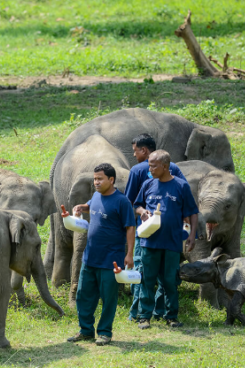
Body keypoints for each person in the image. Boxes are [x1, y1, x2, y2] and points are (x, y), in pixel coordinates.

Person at [67, 163, 135, 346]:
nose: (96, 182)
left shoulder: (122, 201)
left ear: (111, 180)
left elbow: (130, 228)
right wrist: (82, 207)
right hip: (90, 257)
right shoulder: (96, 195)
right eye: (95, 179)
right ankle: (86, 330)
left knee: (108, 297)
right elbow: (92, 206)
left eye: (100, 179)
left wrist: (129, 254)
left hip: (111, 259)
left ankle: (104, 332)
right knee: (83, 294)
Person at [126, 134, 187, 322]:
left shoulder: (137, 170)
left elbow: (129, 202)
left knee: (143, 272)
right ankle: (157, 311)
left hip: (145, 234)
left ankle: (137, 313)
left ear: (144, 150)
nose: (135, 155)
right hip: (164, 236)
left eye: (135, 151)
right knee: (161, 275)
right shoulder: (173, 167)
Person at [134, 150, 198, 330]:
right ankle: (144, 317)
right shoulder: (147, 184)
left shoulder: (181, 186)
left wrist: (192, 235)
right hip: (149, 241)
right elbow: (136, 205)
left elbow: (192, 212)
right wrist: (142, 212)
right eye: (149, 165)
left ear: (165, 166)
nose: (150, 169)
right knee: (147, 279)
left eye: (154, 165)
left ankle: (171, 316)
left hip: (172, 242)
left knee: (170, 280)